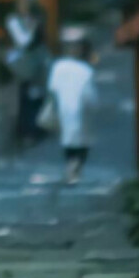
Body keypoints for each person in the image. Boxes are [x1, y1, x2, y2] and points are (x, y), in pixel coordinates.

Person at [45, 34, 98, 184]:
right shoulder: (86, 70)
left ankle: (71, 167)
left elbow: (52, 88)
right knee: (82, 140)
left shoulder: (58, 67)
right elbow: (91, 95)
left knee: (68, 139)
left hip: (64, 108)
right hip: (82, 110)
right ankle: (76, 168)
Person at [6, 0, 51, 145]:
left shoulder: (36, 18)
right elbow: (23, 42)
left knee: (37, 95)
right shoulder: (14, 21)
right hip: (24, 64)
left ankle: (37, 127)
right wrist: (31, 28)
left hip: (38, 62)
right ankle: (27, 130)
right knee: (26, 96)